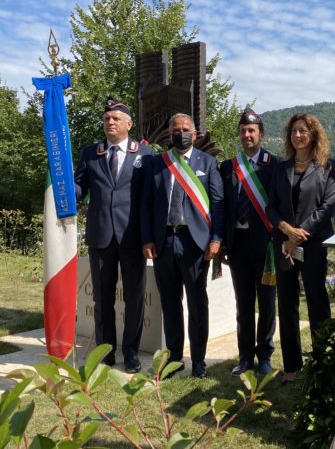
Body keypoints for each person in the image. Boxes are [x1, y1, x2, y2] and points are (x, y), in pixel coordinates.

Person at [73, 97, 154, 373]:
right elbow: (79, 188)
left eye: (115, 118)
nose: (110, 122)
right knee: (102, 299)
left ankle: (131, 353)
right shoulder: (90, 153)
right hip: (100, 236)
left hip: (132, 238)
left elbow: (151, 198)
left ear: (129, 124)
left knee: (134, 298)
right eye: (107, 118)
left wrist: (150, 237)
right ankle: (106, 352)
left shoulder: (145, 154)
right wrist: (60, 189)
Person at [141, 113, 224, 378]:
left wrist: (216, 238)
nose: (181, 133)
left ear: (195, 134)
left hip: (195, 243)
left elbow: (219, 205)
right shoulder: (156, 164)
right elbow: (146, 205)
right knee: (170, 304)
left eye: (186, 129)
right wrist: (147, 239)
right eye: (175, 129)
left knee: (197, 304)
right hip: (164, 241)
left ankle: (198, 360)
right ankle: (174, 359)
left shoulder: (208, 163)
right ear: (169, 134)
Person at [266, 113, 335, 385]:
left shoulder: (328, 167)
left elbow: (328, 205)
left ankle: (323, 364)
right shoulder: (280, 168)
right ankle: (291, 366)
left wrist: (299, 234)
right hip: (283, 245)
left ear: (313, 134)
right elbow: (269, 206)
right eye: (294, 131)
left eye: (303, 131)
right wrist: (286, 230)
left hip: (314, 244)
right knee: (286, 304)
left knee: (318, 303)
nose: (298, 135)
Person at [220, 108, 278, 377]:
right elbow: (220, 206)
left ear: (261, 134)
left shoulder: (273, 165)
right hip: (238, 243)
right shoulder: (228, 166)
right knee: (243, 304)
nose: (247, 135)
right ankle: (245, 357)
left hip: (265, 245)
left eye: (252, 130)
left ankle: (264, 355)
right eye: (243, 131)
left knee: (266, 303)